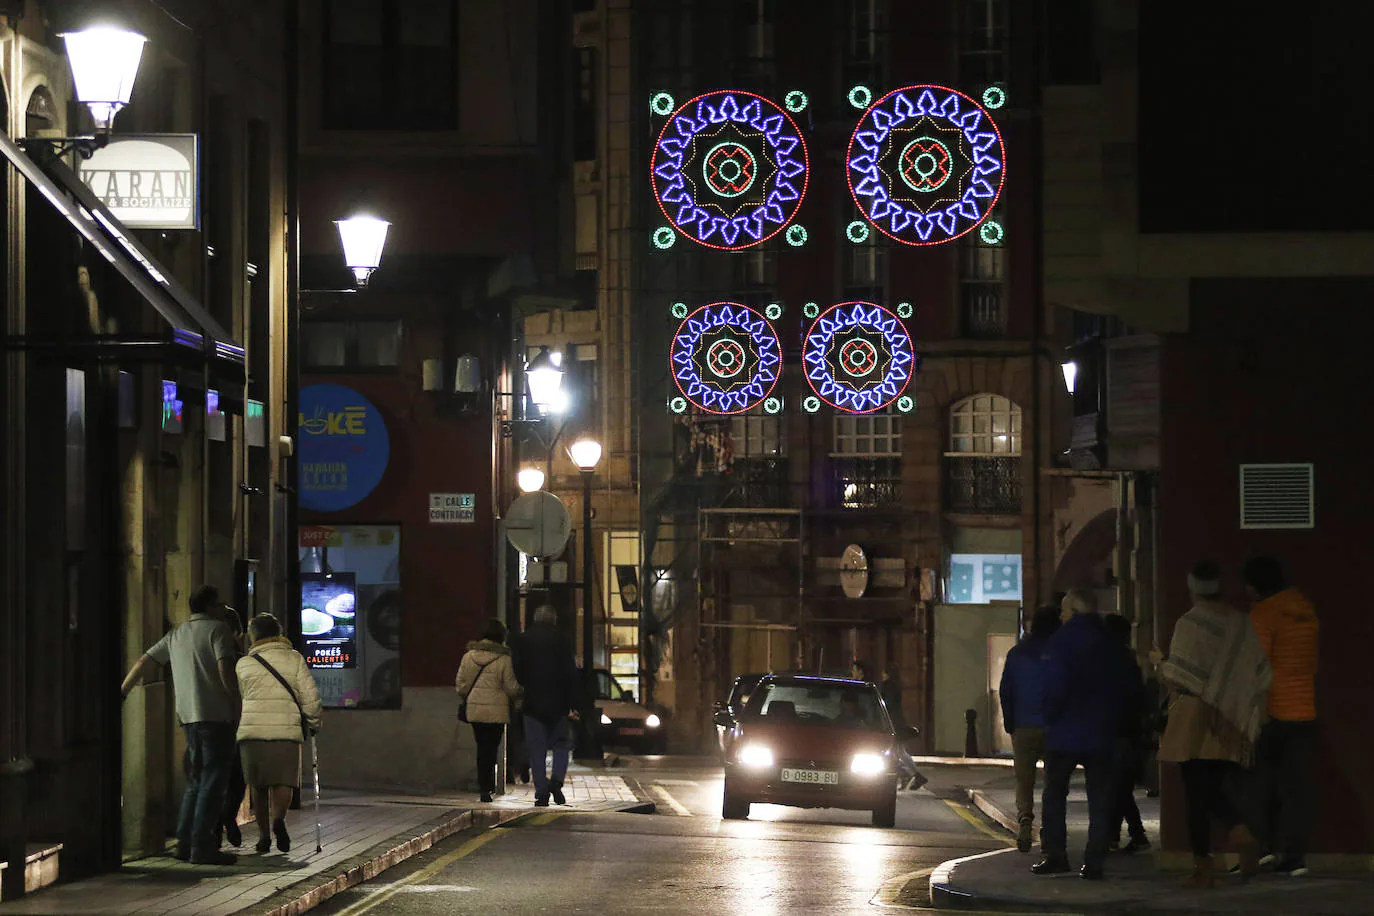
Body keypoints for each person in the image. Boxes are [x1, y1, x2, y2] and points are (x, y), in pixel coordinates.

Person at [1158, 561, 1271, 888]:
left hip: (1193, 716)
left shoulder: (1189, 623)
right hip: (1230, 717)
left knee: (1196, 794)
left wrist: (1159, 666)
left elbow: (1178, 675)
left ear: (1193, 588)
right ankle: (1241, 834)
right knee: (1217, 787)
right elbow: (1257, 673)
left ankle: (1204, 866)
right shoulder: (1240, 624)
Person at [120, 585, 241, 865]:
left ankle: (183, 844)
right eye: (220, 604)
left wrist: (123, 691)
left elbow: (144, 660)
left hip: (188, 716)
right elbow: (225, 669)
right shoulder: (218, 630)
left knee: (196, 781)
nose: (223, 609)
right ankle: (201, 847)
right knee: (213, 783)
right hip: (216, 715)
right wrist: (235, 704)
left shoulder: (177, 633)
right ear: (210, 606)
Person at [1033, 589, 1120, 881]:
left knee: (1055, 794)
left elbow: (1053, 686)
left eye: (1063, 611)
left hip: (1064, 732)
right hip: (1100, 731)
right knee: (1100, 798)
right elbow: (1122, 686)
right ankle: (1095, 861)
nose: (1060, 615)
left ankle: (1056, 854)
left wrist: (1049, 717)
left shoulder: (1060, 642)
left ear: (1072, 612)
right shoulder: (1108, 641)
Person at [1244, 555, 1319, 877]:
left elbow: (1256, 667)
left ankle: (1264, 849)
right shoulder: (1306, 610)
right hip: (1304, 709)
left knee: (1261, 785)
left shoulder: (1264, 614)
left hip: (1272, 711)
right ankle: (1295, 857)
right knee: (1297, 790)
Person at [236, 613, 323, 854]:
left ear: (254, 635)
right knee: (283, 780)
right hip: (286, 729)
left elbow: (240, 698)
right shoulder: (294, 659)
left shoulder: (244, 664)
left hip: (252, 731)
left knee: (258, 785)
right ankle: (279, 821)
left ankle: (264, 836)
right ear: (279, 632)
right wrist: (314, 721)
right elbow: (309, 696)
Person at [999, 604, 1061, 852]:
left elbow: (1006, 690)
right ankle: (1048, 828)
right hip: (1053, 727)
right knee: (1052, 782)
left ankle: (1025, 820)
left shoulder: (1017, 654)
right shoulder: (1059, 653)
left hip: (1023, 726)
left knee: (1024, 779)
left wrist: (1010, 721)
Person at [512, 606, 581, 807]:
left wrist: (527, 686)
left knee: (537, 749)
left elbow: (518, 669)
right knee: (561, 744)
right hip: (559, 704)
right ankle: (557, 781)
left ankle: (541, 791)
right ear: (553, 621)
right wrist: (573, 702)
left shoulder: (523, 640)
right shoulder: (563, 640)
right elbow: (571, 673)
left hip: (532, 702)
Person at [455, 618, 522, 803]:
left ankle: (483, 787)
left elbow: (460, 685)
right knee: (491, 748)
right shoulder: (504, 659)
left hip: (475, 711)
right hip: (497, 712)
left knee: (481, 748)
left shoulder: (468, 657)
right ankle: (488, 786)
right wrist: (520, 693)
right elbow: (511, 687)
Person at [1102, 614, 1150, 854]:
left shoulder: (1109, 661)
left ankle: (1118, 834)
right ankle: (1134, 833)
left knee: (1115, 786)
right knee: (1121, 786)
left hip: (1116, 730)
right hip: (1130, 730)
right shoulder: (1128, 660)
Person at [881, 665, 927, 792]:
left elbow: (887, 704)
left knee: (898, 752)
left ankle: (913, 776)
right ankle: (909, 775)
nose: (882, 675)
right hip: (898, 722)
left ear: (887, 674)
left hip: (893, 724)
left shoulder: (888, 686)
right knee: (899, 752)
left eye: (884, 672)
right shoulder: (896, 685)